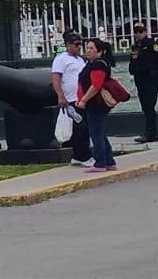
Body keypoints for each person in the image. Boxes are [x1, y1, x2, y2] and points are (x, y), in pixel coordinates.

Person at [74, 37, 119, 173]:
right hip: (92, 104)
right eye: (87, 48)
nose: (88, 51)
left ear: (100, 52)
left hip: (95, 104)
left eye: (91, 48)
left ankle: (100, 163)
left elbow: (96, 85)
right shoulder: (92, 63)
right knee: (99, 132)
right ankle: (109, 161)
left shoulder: (99, 65)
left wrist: (84, 100)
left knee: (96, 133)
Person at [50, 31, 91, 166]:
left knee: (83, 128)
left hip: (82, 98)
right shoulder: (61, 59)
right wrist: (60, 96)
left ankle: (78, 156)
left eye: (81, 44)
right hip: (71, 99)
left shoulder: (81, 59)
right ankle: (84, 156)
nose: (80, 47)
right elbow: (56, 78)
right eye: (76, 44)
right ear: (68, 45)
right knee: (80, 128)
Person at [127, 21, 158, 143]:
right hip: (139, 81)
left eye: (140, 31)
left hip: (150, 81)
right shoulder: (135, 46)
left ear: (145, 32)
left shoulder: (152, 45)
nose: (138, 34)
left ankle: (150, 134)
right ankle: (151, 133)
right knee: (145, 107)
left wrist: (157, 79)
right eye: (136, 32)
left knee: (149, 106)